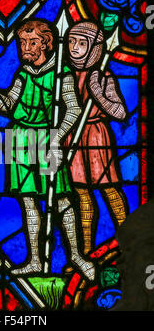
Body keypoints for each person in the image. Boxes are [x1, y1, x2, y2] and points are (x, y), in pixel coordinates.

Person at [0, 19, 95, 280]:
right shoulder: (22, 75)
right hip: (20, 139)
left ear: (46, 44)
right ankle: (35, 260)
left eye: (32, 42)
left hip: (47, 138)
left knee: (62, 201)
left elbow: (74, 109)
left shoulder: (60, 74)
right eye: (22, 42)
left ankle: (77, 256)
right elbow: (7, 107)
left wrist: (57, 136)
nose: (25, 47)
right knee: (29, 204)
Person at [65, 22, 128, 256]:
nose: (75, 48)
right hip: (72, 137)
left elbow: (120, 112)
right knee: (81, 194)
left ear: (95, 48)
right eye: (71, 41)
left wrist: (98, 93)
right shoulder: (65, 75)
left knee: (110, 190)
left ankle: (128, 241)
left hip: (96, 137)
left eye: (82, 43)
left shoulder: (103, 76)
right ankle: (86, 250)